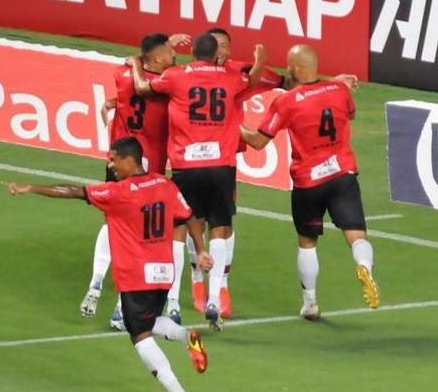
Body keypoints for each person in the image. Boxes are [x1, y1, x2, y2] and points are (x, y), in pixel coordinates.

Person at [1, 137, 213, 392]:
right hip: (163, 273)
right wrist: (201, 249)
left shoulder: (119, 192)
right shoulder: (165, 184)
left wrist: (31, 187)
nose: (110, 165)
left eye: (114, 160)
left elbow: (72, 191)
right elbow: (190, 216)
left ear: (129, 160)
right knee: (146, 321)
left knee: (139, 335)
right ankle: (187, 337)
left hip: (136, 275)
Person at [131, 31, 266, 331]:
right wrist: (259, 61)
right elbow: (253, 80)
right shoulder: (229, 77)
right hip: (221, 165)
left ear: (192, 52)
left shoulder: (176, 75)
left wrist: (137, 64)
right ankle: (214, 299)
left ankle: (173, 304)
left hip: (186, 166)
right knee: (219, 228)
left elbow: (141, 88)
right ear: (216, 55)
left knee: (178, 229)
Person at [239, 43, 379, 321]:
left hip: (308, 182)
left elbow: (258, 141)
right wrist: (331, 85)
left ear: (294, 68)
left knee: (307, 242)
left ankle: (310, 303)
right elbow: (349, 113)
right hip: (342, 175)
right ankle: (364, 265)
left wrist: (233, 125)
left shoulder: (287, 102)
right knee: (357, 236)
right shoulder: (339, 89)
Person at [84, 33, 189, 330]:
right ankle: (121, 307)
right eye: (169, 51)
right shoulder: (168, 85)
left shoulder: (123, 73)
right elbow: (162, 82)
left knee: (112, 223)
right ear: (156, 57)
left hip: (117, 160)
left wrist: (114, 98)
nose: (174, 55)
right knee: (139, 238)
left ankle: (96, 280)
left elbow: (135, 69)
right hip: (147, 168)